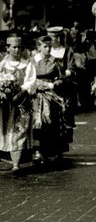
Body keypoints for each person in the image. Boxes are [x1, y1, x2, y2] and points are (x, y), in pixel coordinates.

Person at [24, 34, 69, 165]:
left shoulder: (55, 61)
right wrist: (38, 85)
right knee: (37, 123)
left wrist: (56, 84)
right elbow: (28, 79)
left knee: (52, 123)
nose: (48, 50)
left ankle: (52, 151)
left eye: (49, 47)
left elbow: (61, 78)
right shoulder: (32, 61)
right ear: (39, 47)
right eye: (45, 47)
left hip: (51, 96)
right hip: (36, 96)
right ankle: (38, 151)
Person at [0, 32, 31, 171]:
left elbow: (30, 81)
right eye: (14, 47)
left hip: (20, 103)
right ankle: (4, 158)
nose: (17, 50)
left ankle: (16, 162)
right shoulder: (2, 65)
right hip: (5, 104)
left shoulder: (26, 65)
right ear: (8, 48)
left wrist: (21, 92)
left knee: (19, 131)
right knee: (4, 130)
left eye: (19, 47)